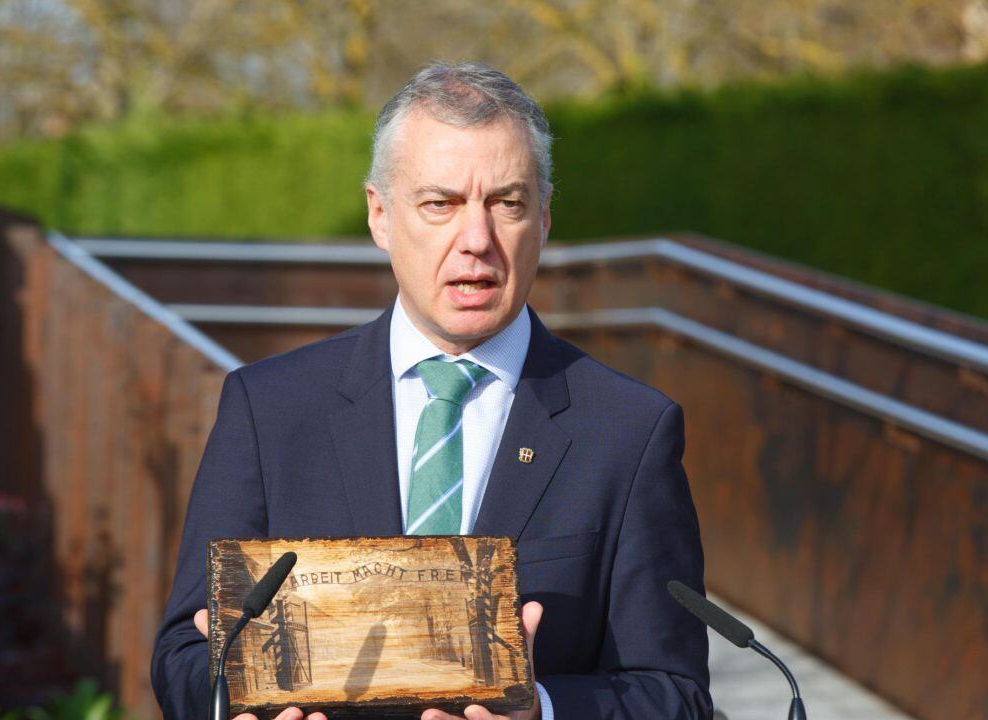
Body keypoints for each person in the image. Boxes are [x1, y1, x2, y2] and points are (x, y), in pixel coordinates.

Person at [151, 61, 711, 720]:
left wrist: (546, 711)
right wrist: (232, 708)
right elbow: (185, 653)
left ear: (545, 218)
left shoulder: (628, 431)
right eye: (440, 204)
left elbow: (675, 694)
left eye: (507, 203)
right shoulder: (269, 409)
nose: (477, 241)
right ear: (381, 216)